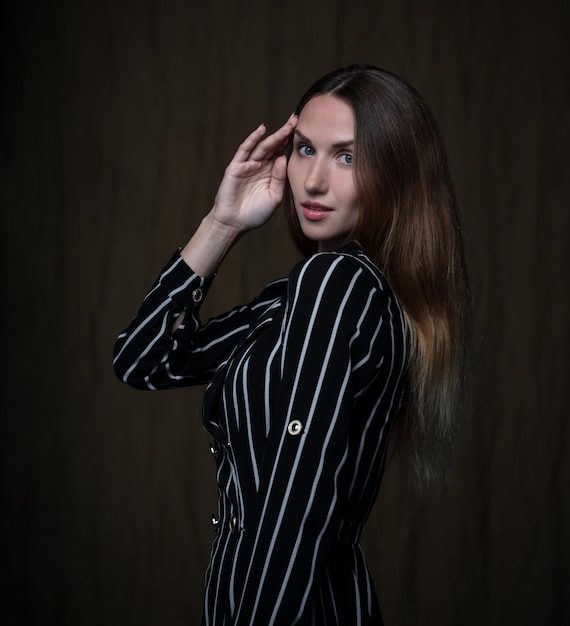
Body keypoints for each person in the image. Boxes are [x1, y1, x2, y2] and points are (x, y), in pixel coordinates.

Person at [113, 64, 471, 626]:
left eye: (347, 156)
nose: (314, 181)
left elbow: (295, 504)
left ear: (396, 172)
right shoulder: (298, 298)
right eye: (305, 150)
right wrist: (222, 221)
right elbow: (143, 360)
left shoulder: (338, 285)